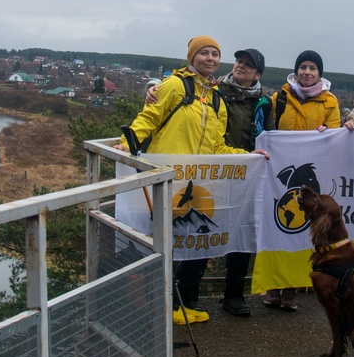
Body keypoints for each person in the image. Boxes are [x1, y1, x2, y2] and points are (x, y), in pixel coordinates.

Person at [119, 36, 262, 326]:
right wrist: (125, 143)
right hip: (167, 180)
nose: (210, 59)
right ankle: (157, 304)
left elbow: (217, 146)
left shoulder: (216, 98)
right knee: (163, 242)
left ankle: (185, 304)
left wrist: (248, 156)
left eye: (215, 54)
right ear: (192, 57)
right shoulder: (175, 85)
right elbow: (149, 118)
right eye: (204, 53)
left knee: (197, 240)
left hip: (199, 184)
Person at [150, 48, 276, 316]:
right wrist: (151, 88)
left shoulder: (264, 103)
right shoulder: (214, 91)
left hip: (244, 173)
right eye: (239, 61)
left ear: (258, 74)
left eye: (249, 64)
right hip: (211, 171)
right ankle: (186, 296)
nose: (241, 66)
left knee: (240, 232)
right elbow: (175, 95)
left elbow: (271, 135)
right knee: (201, 232)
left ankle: (234, 297)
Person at [264, 50, 341, 311]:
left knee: (301, 230)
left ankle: (292, 288)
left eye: (312, 68)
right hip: (282, 174)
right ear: (296, 71)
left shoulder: (330, 102)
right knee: (278, 228)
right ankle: (273, 284)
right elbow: (269, 129)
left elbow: (335, 134)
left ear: (320, 73)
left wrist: (327, 134)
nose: (307, 72)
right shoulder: (280, 97)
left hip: (310, 176)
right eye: (303, 67)